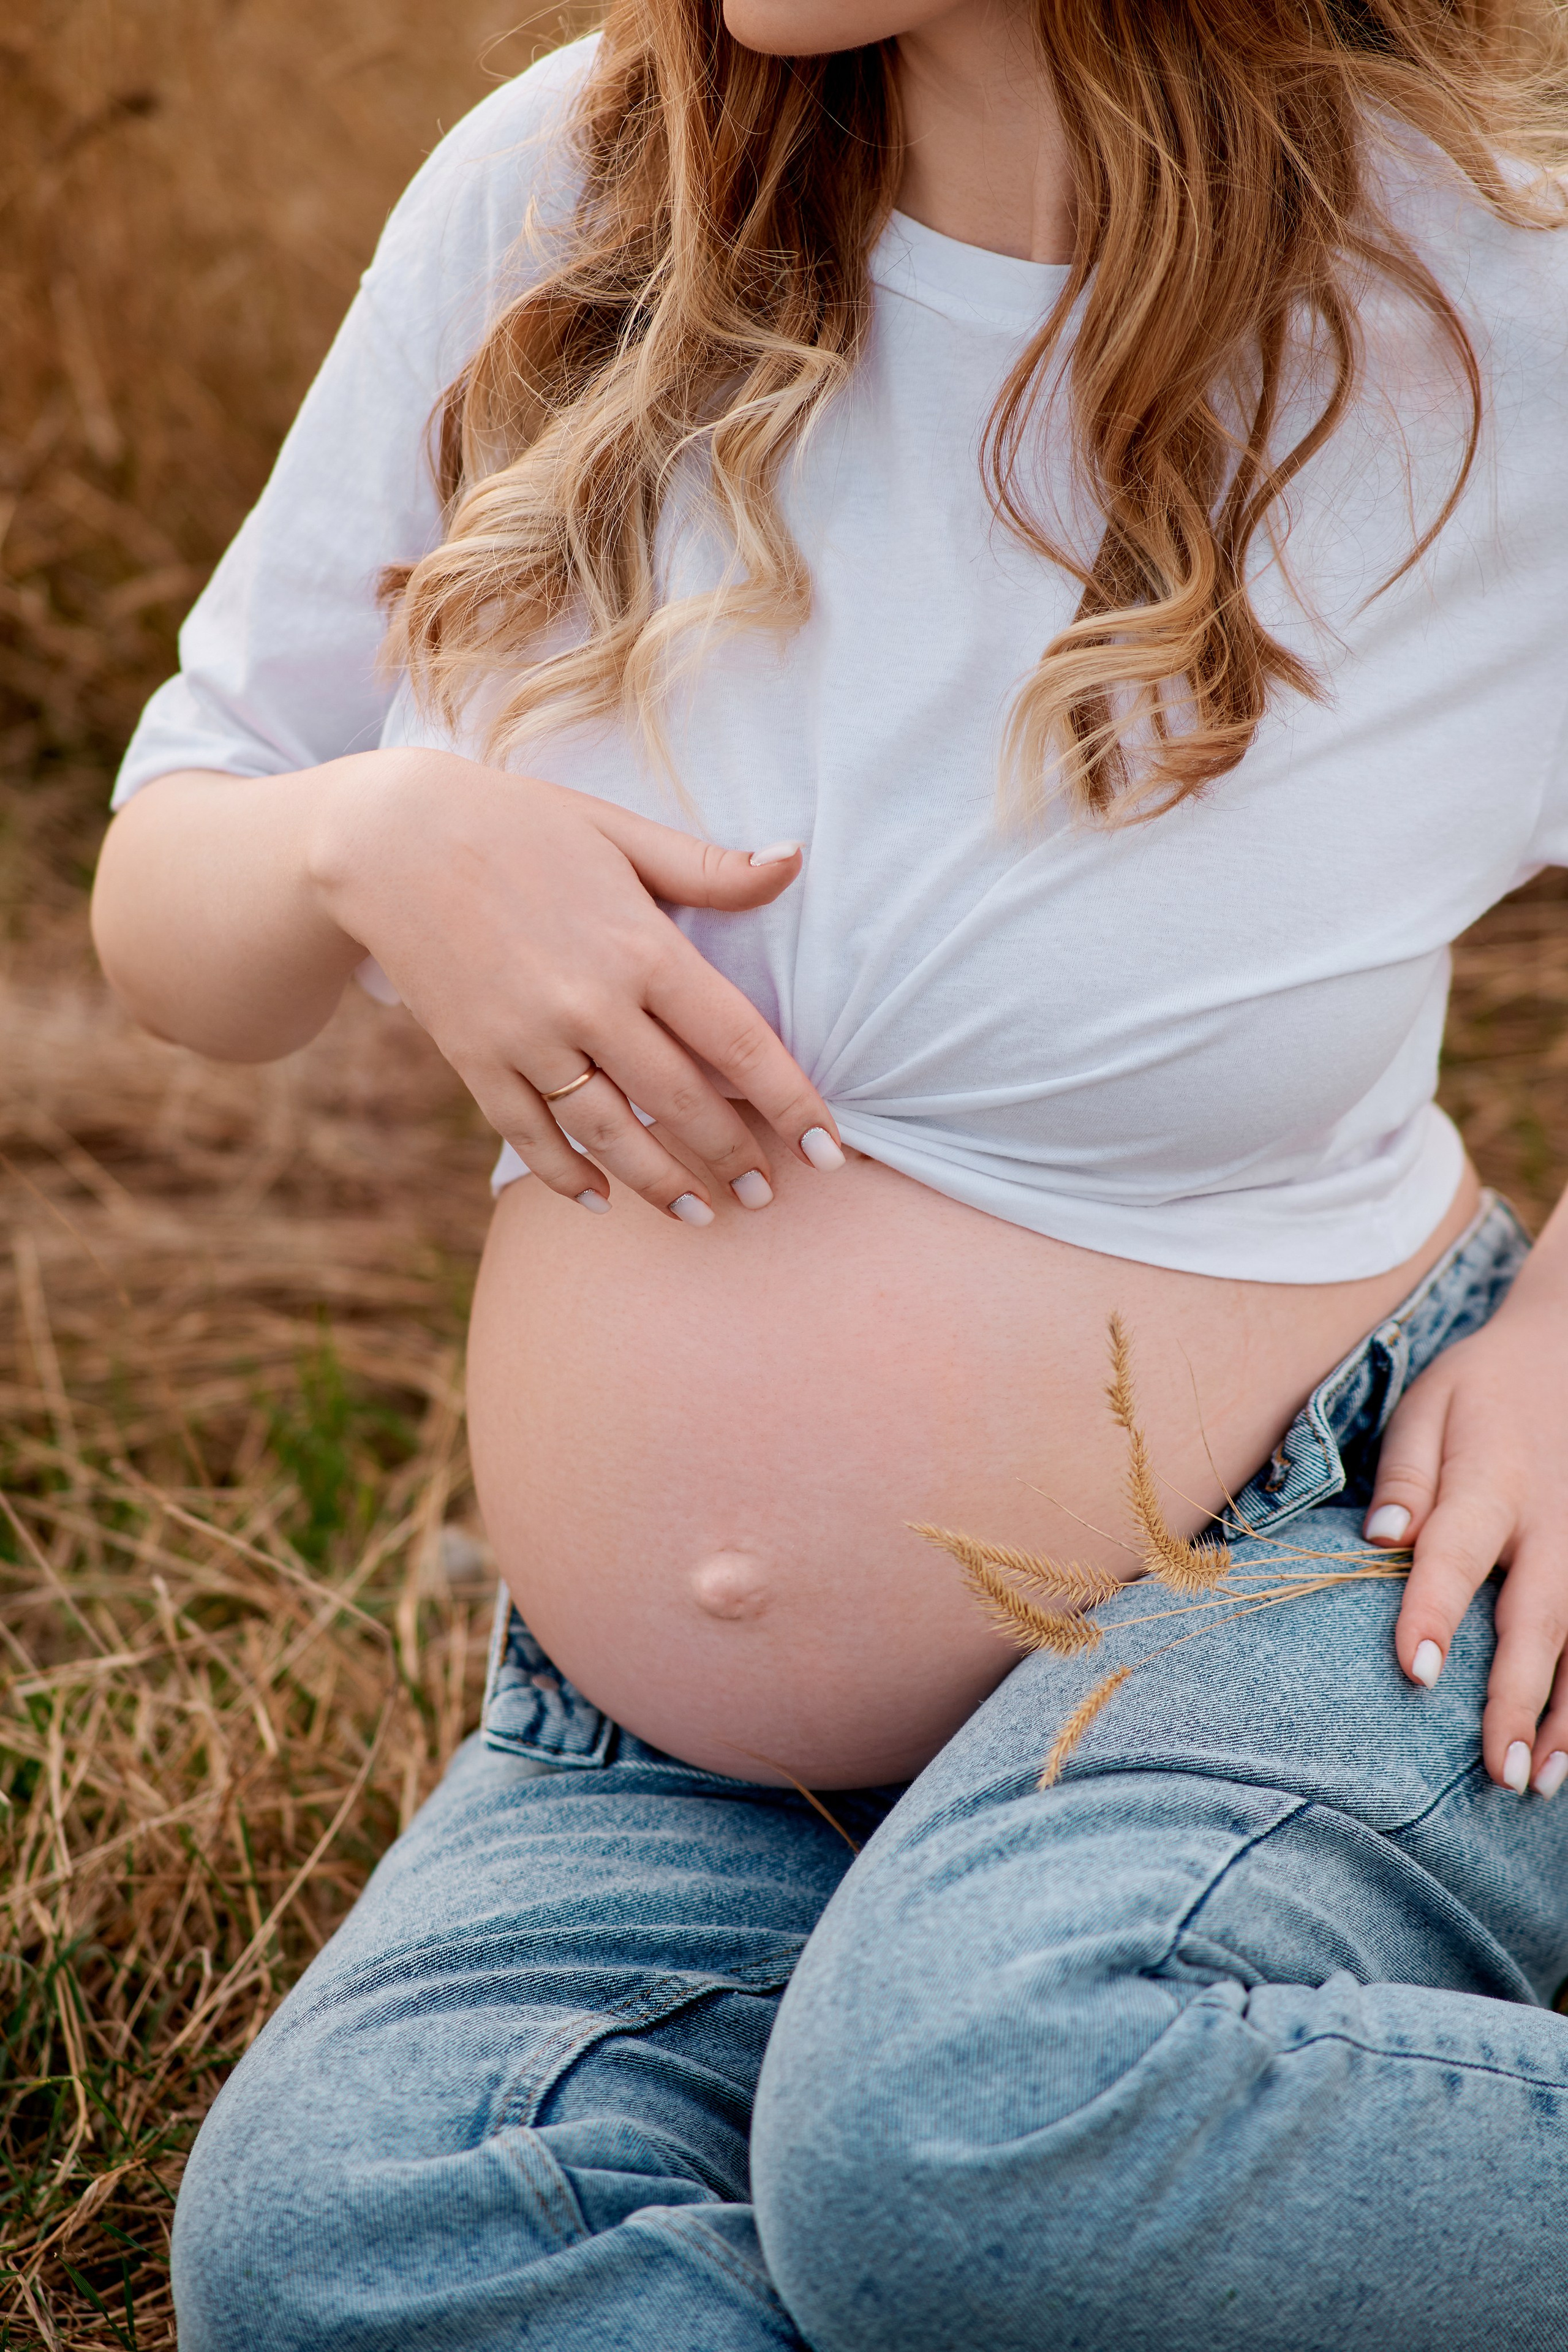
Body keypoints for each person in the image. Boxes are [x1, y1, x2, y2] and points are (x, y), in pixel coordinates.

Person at [89, 0, 1568, 2342]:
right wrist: (374, 837)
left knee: (965, 2120)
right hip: (649, 1755)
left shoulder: (1494, 302)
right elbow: (174, 903)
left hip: (1316, 1570)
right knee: (352, 2239)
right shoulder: (564, 193)